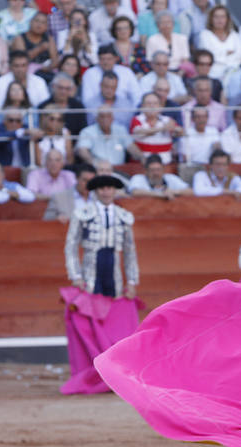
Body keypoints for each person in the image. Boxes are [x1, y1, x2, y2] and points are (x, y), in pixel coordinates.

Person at [62, 173, 140, 395]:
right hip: (90, 275)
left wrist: (132, 280)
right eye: (102, 188)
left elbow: (130, 252)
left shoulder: (124, 216)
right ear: (96, 191)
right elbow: (71, 246)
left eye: (110, 188)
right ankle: (92, 374)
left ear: (115, 191)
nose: (106, 192)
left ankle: (113, 374)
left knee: (114, 324)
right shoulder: (82, 214)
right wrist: (75, 276)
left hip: (113, 276)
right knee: (90, 323)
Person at [77, 105, 142, 165]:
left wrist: (142, 158)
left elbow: (131, 147)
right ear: (97, 119)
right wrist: (95, 164)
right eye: (102, 116)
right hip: (97, 170)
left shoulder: (121, 130)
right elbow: (82, 151)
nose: (105, 119)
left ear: (112, 118)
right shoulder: (87, 132)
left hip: (119, 170)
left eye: (108, 116)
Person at [130, 92, 183, 164]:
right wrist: (162, 128)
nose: (152, 106)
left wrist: (176, 129)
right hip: (142, 163)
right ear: (142, 106)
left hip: (165, 163)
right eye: (148, 103)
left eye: (155, 103)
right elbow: (140, 132)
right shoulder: (137, 119)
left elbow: (180, 132)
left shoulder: (167, 120)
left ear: (160, 106)